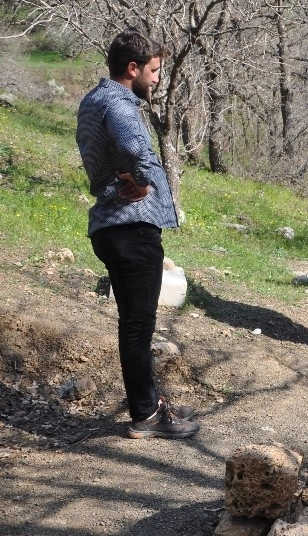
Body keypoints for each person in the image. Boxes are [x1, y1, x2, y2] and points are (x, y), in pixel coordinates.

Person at [76, 30, 199, 439]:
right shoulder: (120, 104)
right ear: (133, 69)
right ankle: (146, 414)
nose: (158, 79)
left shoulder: (94, 100)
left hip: (113, 226)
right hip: (131, 227)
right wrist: (144, 180)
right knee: (137, 326)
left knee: (135, 324)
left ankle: (148, 402)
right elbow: (137, 151)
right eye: (154, 70)